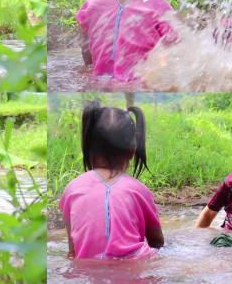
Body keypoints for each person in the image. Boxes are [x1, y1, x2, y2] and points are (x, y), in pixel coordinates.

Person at [59, 101, 164, 259]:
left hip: (88, 272)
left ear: (88, 146)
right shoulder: (139, 190)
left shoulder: (71, 189)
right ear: (132, 151)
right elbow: (157, 242)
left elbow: (72, 251)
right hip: (137, 269)